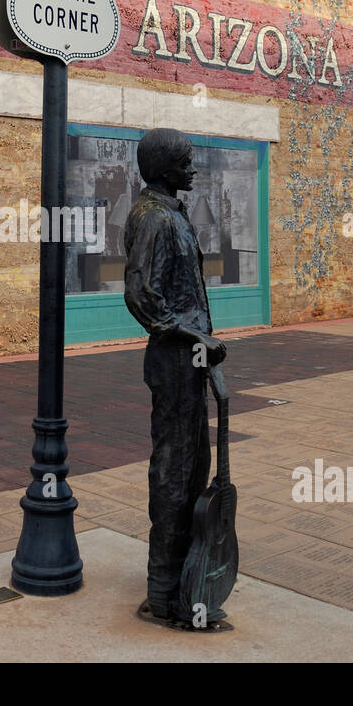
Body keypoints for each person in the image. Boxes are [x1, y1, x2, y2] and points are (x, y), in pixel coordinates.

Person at [123, 128, 226, 624]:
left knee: (192, 467)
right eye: (185, 161)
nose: (193, 168)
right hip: (175, 360)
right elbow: (142, 295)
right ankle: (163, 591)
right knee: (174, 470)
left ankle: (184, 575)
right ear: (164, 166)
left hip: (191, 361)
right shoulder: (155, 219)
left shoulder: (171, 213)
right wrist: (191, 337)